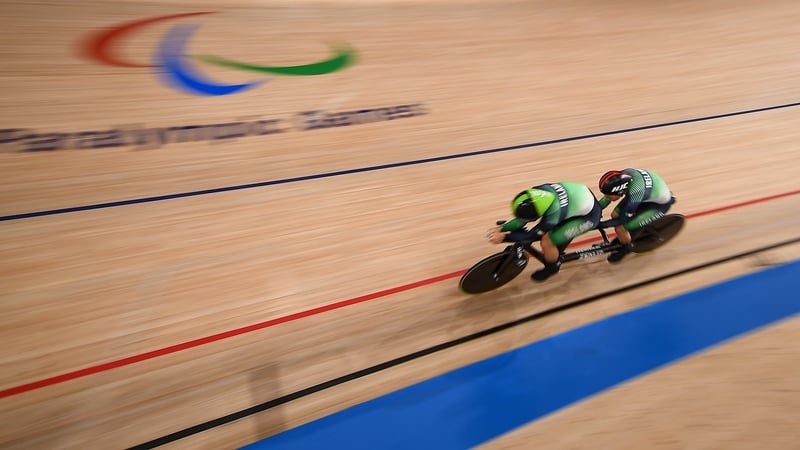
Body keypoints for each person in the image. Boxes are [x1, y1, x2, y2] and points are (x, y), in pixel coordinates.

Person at [486, 181, 602, 282]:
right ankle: (558, 250)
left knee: (547, 241)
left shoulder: (554, 214)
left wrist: (505, 237)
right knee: (549, 231)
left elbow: (532, 235)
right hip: (578, 200)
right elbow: (521, 220)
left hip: (588, 217)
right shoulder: (538, 192)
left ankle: (552, 267)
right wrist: (502, 228)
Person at [596, 168, 676, 263]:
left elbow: (621, 220)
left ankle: (626, 248)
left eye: (609, 195)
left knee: (621, 227)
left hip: (658, 206)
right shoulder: (624, 176)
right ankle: (627, 236)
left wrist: (598, 224)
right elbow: (606, 200)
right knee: (614, 214)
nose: (607, 197)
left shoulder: (635, 193)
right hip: (648, 194)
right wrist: (594, 211)